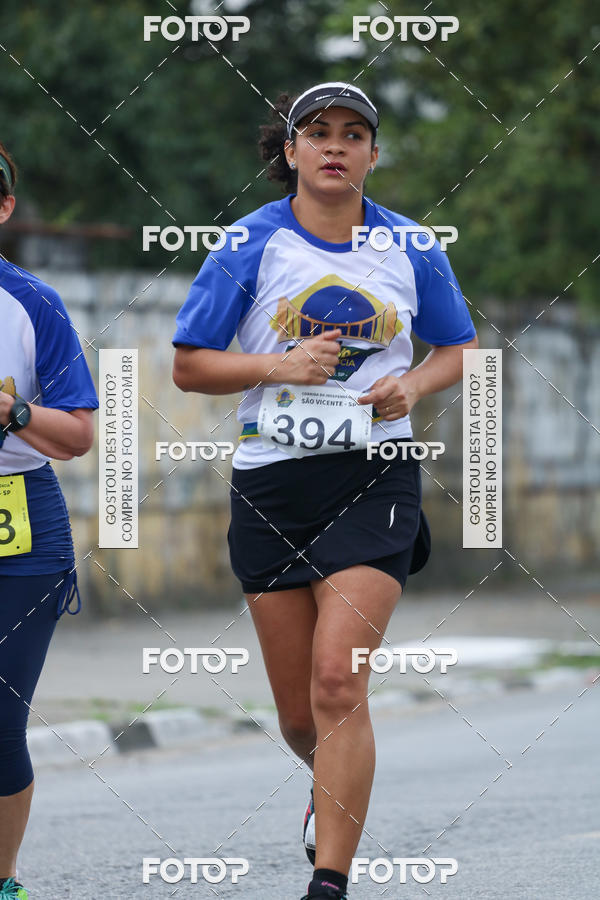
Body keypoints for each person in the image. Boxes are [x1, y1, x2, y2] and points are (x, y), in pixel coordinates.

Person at [172, 83, 478, 900]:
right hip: (271, 483)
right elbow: (189, 365)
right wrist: (279, 364)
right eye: (318, 133)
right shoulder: (247, 244)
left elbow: (458, 349)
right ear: (292, 152)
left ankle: (330, 884)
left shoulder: (412, 245)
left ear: (374, 155)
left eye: (353, 134)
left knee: (339, 679)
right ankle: (325, 786)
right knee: (302, 716)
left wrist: (411, 388)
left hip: (373, 475)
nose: (335, 146)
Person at [0, 143, 98, 899]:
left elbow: (76, 437)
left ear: (3, 210)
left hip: (22, 529)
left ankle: (2, 880)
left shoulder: (33, 305)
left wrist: (14, 411)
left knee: (0, 724)